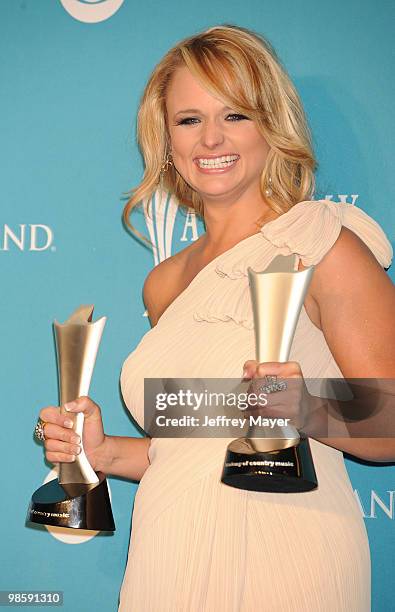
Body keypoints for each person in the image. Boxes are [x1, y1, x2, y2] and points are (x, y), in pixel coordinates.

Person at [35, 25, 395, 611]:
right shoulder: (165, 282)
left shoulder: (321, 244)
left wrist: (307, 407)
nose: (210, 139)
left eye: (235, 115)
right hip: (168, 549)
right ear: (167, 141)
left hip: (286, 547)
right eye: (188, 119)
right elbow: (191, 446)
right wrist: (101, 454)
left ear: (271, 127)